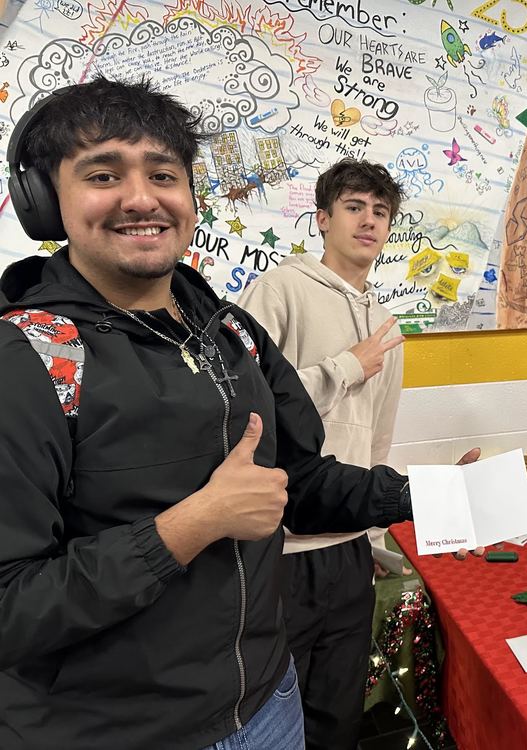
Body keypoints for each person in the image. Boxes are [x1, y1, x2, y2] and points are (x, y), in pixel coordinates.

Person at [0, 78, 466, 750]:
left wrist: (429, 493)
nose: (140, 197)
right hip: (115, 732)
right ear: (45, 202)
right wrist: (192, 525)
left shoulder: (230, 333)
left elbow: (295, 486)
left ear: (190, 198)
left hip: (266, 705)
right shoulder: (29, 356)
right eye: (102, 174)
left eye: (163, 174)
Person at [239, 159, 406, 749]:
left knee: (338, 714)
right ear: (323, 218)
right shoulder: (280, 290)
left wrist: (378, 538)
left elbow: (379, 438)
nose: (369, 221)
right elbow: (245, 408)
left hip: (350, 548)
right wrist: (345, 367)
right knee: (272, 717)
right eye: (355, 207)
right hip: (280, 550)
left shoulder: (388, 325)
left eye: (380, 212)